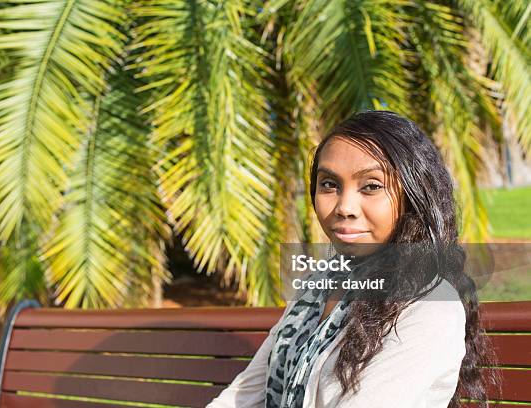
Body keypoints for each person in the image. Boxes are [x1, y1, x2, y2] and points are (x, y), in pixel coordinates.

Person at [206, 110, 497, 408]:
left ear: (414, 195)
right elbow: (243, 395)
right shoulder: (318, 286)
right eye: (329, 184)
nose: (344, 207)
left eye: (371, 186)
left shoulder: (427, 306)